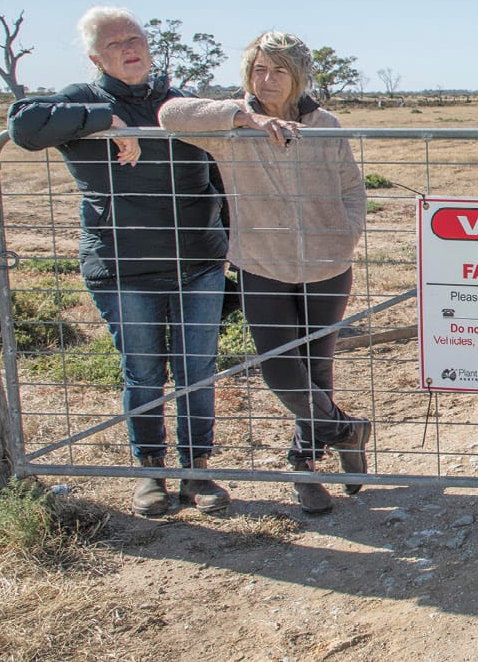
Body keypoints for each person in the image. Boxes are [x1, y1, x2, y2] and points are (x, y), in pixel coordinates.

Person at [7, 7, 230, 517]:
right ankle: (150, 473)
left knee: (197, 371)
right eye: (114, 44)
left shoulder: (176, 104)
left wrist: (229, 241)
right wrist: (106, 120)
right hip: (124, 269)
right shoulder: (81, 100)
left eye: (136, 39)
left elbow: (219, 176)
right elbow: (23, 125)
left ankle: (197, 472)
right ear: (94, 57)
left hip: (199, 263)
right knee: (144, 373)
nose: (129, 49)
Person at [158, 31, 371, 515]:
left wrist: (345, 234)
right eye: (258, 68)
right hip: (261, 263)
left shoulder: (326, 124)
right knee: (280, 370)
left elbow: (353, 190)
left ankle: (304, 465)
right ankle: (346, 430)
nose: (267, 78)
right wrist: (246, 116)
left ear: (298, 76)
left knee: (316, 371)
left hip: (326, 265)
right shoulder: (230, 125)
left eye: (278, 70)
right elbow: (170, 114)